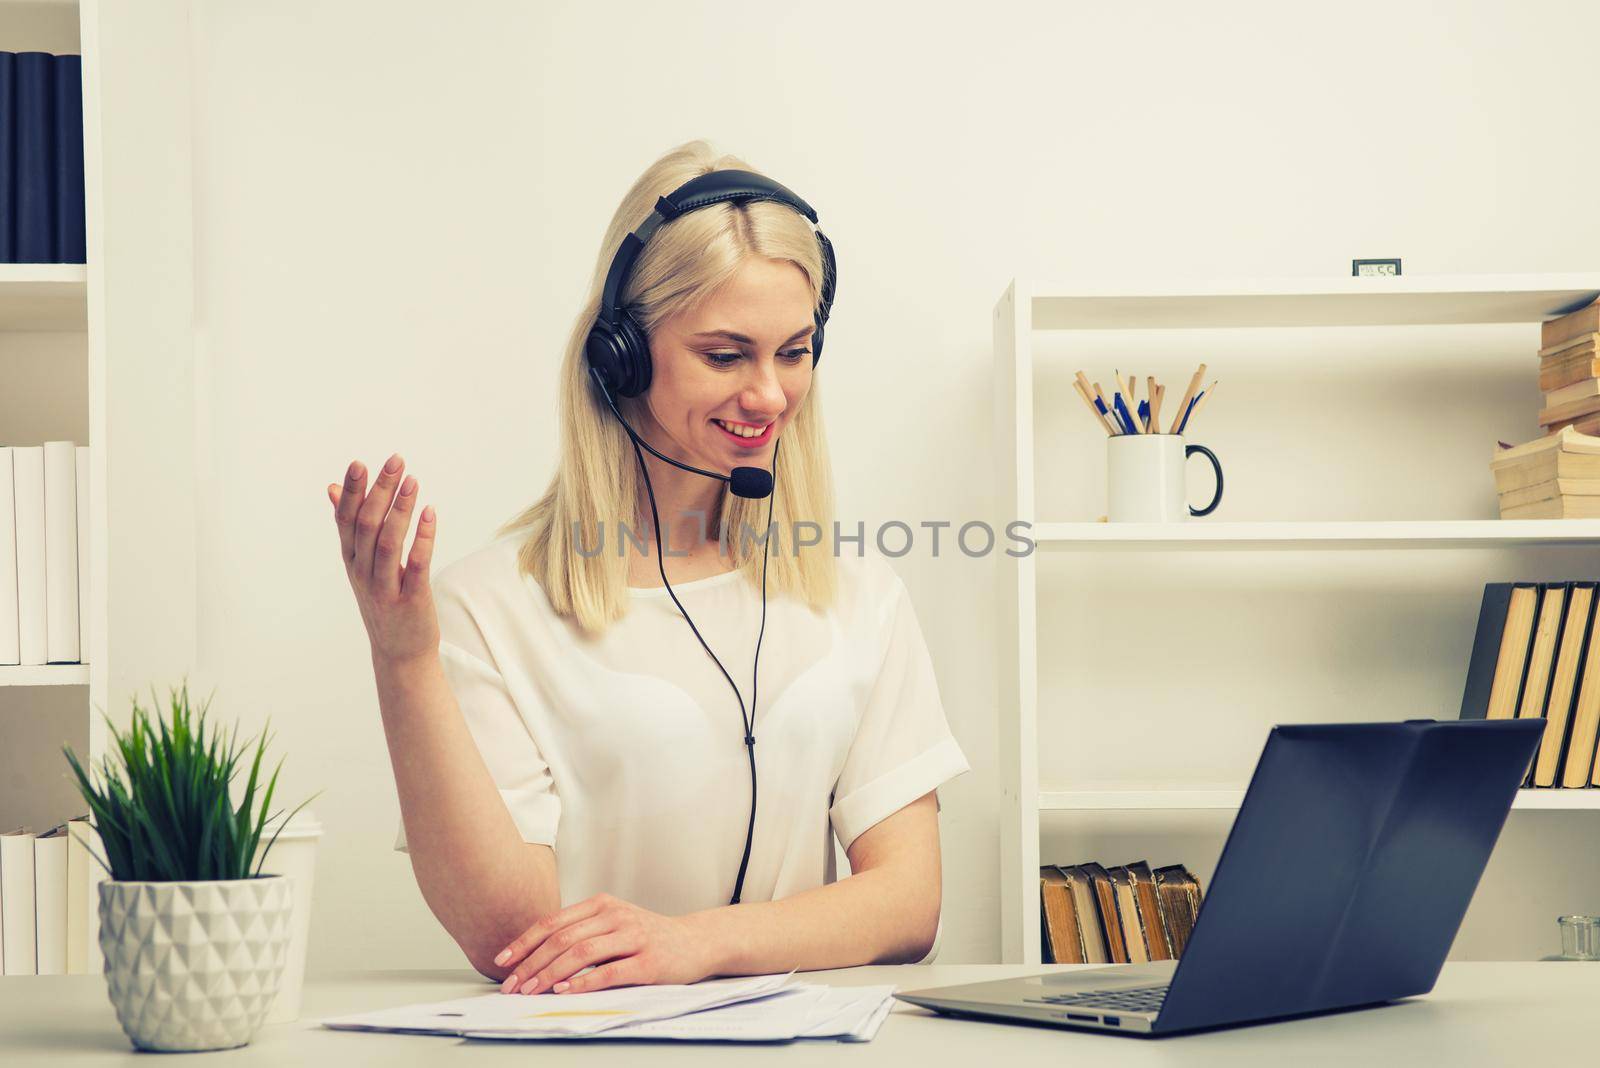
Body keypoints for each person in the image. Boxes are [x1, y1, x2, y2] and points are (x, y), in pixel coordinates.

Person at [327, 140, 970, 998]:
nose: (771, 395)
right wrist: (403, 659)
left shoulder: (862, 601)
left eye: (794, 351)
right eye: (725, 353)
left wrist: (695, 943)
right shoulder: (491, 608)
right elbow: (508, 935)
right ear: (620, 356)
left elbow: (907, 904)